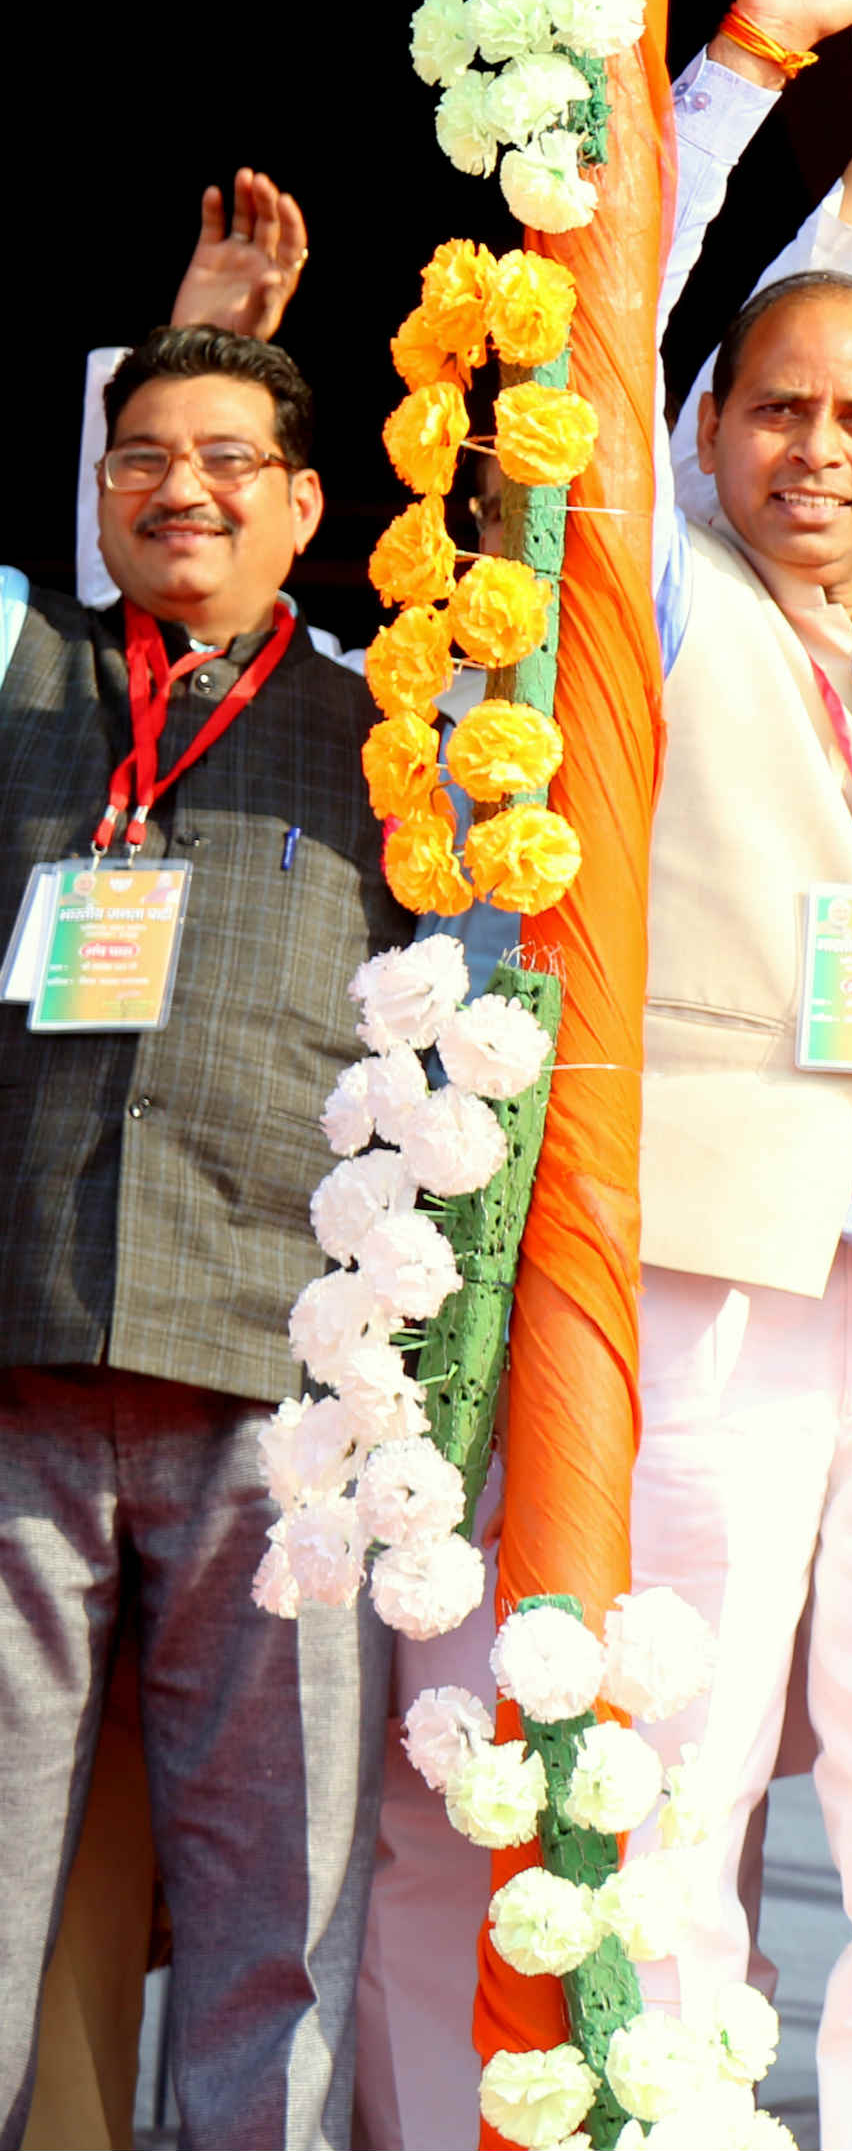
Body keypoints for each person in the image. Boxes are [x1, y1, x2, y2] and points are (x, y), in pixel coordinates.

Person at [356, 0, 852, 2151]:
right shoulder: (650, 587)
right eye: (779, 411)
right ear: (713, 438)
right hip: (711, 1264)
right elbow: (607, 319)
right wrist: (771, 92)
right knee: (679, 1761)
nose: (821, 448)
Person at [2, 311, 410, 2148]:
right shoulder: (23, 671)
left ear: (308, 502)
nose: (184, 488)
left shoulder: (399, 732)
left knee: (281, 1917)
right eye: (144, 458)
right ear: (97, 494)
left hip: (277, 1378)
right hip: (16, 1360)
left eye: (230, 459)